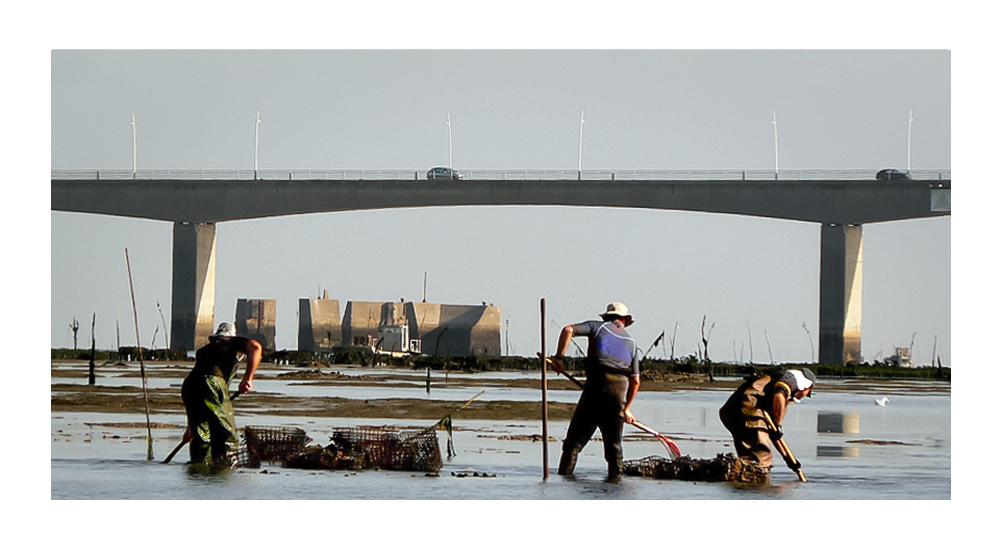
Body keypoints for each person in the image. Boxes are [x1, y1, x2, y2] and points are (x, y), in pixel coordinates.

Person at [549, 302, 640, 481]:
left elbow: (568, 330)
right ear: (624, 320)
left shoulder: (597, 328)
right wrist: (627, 408)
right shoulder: (632, 343)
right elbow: (635, 381)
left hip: (594, 394)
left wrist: (558, 358)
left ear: (607, 317)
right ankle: (615, 483)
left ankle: (564, 480)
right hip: (616, 400)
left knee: (573, 445)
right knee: (614, 449)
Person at [181, 322, 263, 467]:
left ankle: (198, 468)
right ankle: (225, 469)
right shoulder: (232, 342)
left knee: (200, 435)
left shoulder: (206, 350)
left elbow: (201, 399)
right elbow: (256, 347)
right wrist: (248, 379)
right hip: (210, 384)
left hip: (189, 386)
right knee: (226, 433)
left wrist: (190, 427)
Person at [718, 367, 816, 469]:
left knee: (748, 453)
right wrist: (778, 424)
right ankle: (756, 481)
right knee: (763, 456)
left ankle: (741, 477)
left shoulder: (777, 394)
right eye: (807, 393)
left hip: (733, 411)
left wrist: (788, 459)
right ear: (806, 386)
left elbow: (774, 433)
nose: (803, 396)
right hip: (750, 406)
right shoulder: (793, 379)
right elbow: (779, 394)